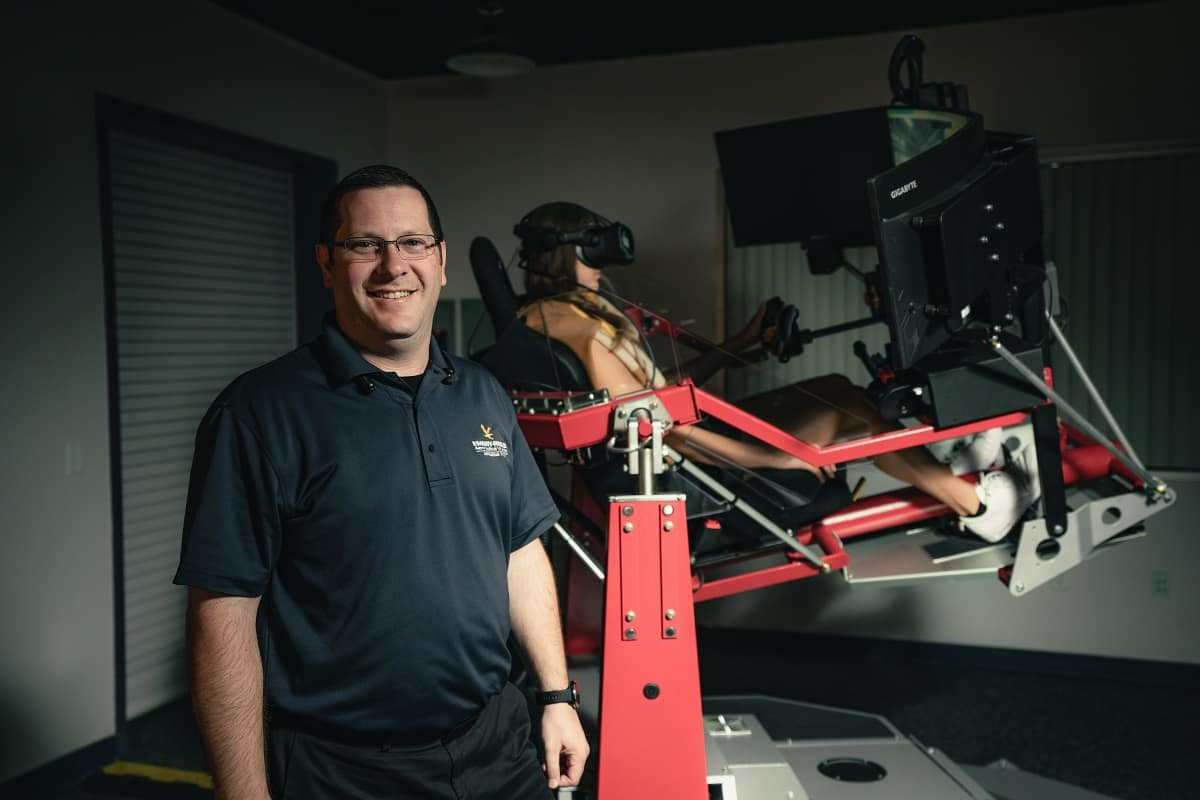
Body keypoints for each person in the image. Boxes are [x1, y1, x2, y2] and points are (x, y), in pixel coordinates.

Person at [175, 166, 589, 800]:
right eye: (365, 244)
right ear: (326, 262)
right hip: (342, 772)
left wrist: (556, 695)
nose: (393, 264)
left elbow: (519, 549)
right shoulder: (260, 413)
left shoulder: (481, 393)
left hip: (496, 748)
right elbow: (222, 616)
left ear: (442, 260)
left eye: (413, 242)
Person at [512, 201, 1036, 543]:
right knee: (847, 411)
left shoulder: (564, 313)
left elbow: (656, 396)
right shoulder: (577, 329)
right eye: (592, 255)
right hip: (694, 473)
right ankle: (976, 505)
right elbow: (661, 426)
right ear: (567, 256)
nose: (601, 268)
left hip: (687, 449)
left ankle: (948, 461)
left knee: (833, 390)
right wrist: (775, 458)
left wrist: (739, 343)